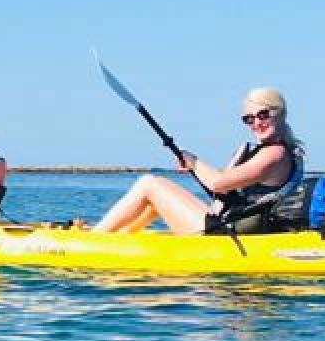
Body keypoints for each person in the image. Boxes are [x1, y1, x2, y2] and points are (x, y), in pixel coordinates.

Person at [91, 88, 304, 234]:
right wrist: (196, 164)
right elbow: (224, 189)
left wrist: (193, 161)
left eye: (263, 114)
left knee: (150, 184)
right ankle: (119, 237)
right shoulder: (283, 151)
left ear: (280, 114)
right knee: (156, 202)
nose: (256, 123)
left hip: (222, 235)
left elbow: (218, 183)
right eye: (249, 118)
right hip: (227, 225)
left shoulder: (274, 154)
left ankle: (94, 240)